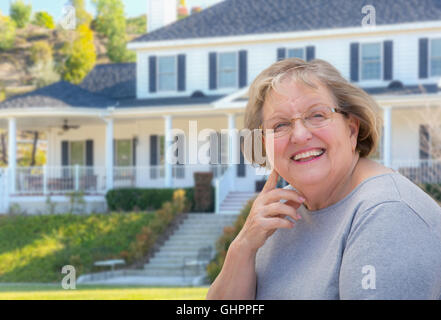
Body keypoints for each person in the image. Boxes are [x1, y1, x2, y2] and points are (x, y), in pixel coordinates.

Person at [206, 58, 441, 300]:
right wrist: (243, 246)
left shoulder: (388, 213)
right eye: (280, 125)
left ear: (351, 129)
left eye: (317, 115)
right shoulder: (279, 216)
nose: (299, 135)